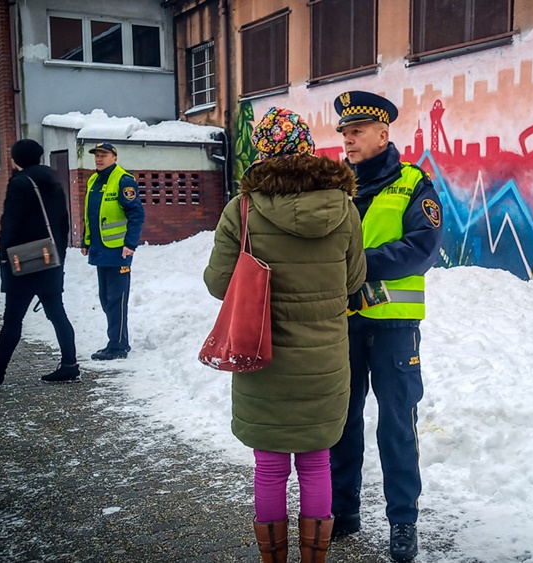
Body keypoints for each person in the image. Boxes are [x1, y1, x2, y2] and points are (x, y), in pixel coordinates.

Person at [204, 107, 366, 563]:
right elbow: (354, 280)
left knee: (270, 468)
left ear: (263, 152)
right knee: (317, 463)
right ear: (308, 148)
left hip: (263, 359)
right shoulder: (344, 207)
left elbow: (218, 283)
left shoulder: (244, 210)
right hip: (325, 363)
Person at [329, 91, 444, 562]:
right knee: (343, 422)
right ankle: (344, 511)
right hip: (345, 324)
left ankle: (403, 523)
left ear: (383, 133)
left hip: (395, 326)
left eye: (356, 132)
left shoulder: (414, 183)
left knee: (397, 424)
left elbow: (423, 248)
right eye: (344, 133)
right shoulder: (336, 188)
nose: (348, 140)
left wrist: (359, 264)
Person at [0, 139, 79, 386]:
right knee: (58, 314)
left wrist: (4, 259)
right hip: (50, 261)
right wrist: (60, 259)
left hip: (23, 264)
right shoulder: (53, 182)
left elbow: (9, 226)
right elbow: (63, 224)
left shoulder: (19, 183)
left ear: (17, 159)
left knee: (13, 319)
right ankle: (70, 365)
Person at [82, 142, 144, 361]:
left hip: (120, 251)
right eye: (97, 155)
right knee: (106, 299)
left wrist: (130, 244)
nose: (99, 159)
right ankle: (116, 340)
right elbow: (91, 214)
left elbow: (136, 214)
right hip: (100, 250)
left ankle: (118, 346)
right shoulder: (94, 180)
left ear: (114, 158)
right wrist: (86, 240)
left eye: (104, 155)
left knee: (117, 299)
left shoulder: (124, 181)